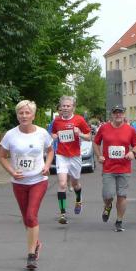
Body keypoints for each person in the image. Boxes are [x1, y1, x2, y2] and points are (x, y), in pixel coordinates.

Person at [0, 100, 54, 270]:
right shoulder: (10, 135)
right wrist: (12, 172)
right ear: (17, 115)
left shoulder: (42, 133)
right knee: (26, 218)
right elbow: (1, 156)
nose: (24, 116)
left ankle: (31, 256)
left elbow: (50, 151)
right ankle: (36, 243)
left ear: (33, 115)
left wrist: (47, 166)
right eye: (21, 113)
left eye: (27, 113)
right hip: (19, 182)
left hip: (38, 180)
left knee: (31, 216)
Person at [93, 104, 136, 231]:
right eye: (115, 112)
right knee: (108, 195)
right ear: (112, 115)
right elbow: (96, 142)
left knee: (122, 195)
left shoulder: (130, 130)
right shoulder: (104, 128)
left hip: (124, 168)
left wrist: (132, 152)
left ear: (124, 114)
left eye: (120, 112)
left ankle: (119, 221)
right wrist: (99, 155)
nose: (118, 114)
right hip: (108, 168)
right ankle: (108, 206)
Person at [50, 96, 91, 224]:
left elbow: (89, 137)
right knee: (62, 184)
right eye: (63, 106)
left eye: (68, 106)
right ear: (60, 107)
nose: (66, 108)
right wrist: (54, 136)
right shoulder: (56, 121)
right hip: (61, 155)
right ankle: (63, 214)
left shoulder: (79, 119)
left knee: (75, 184)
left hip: (75, 156)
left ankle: (78, 199)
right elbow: (52, 133)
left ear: (73, 107)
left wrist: (80, 134)